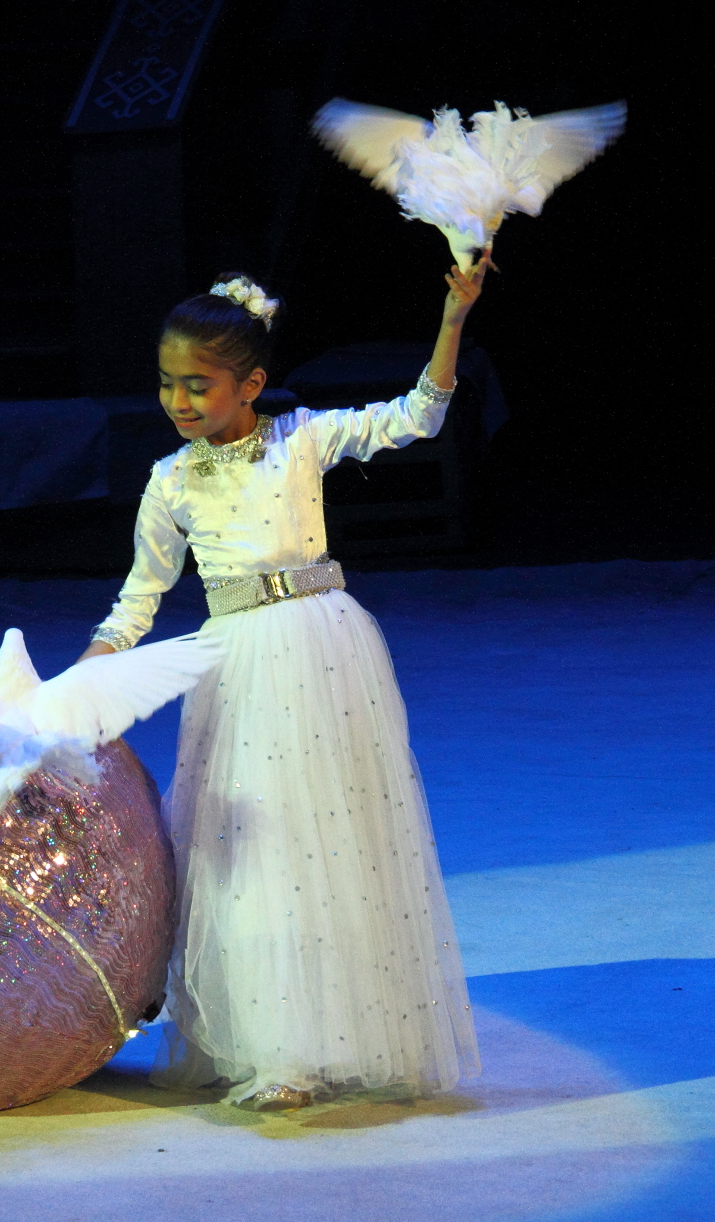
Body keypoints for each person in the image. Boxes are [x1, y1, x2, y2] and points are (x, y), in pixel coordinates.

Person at [80, 261, 488, 1109]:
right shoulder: (171, 482)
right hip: (233, 666)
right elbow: (140, 594)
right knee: (250, 852)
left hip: (320, 652)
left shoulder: (302, 437)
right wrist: (97, 661)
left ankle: (335, 1029)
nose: (180, 401)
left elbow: (416, 416)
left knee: (329, 847)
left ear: (251, 384)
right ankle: (275, 1048)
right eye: (167, 384)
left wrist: (452, 314)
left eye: (199, 384)